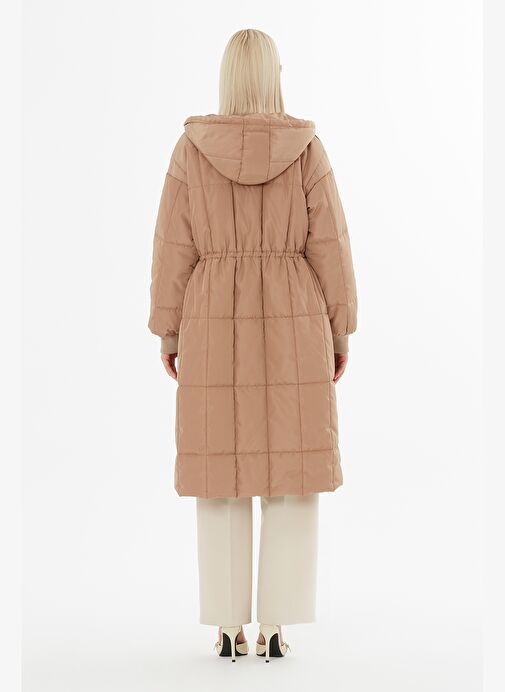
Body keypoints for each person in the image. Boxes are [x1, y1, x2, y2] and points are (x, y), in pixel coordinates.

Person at [148, 28, 357, 662]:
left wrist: (169, 330)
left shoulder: (190, 151)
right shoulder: (307, 149)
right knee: (291, 470)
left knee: (222, 472)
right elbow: (331, 246)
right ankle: (275, 628)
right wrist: (339, 329)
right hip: (296, 317)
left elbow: (172, 247)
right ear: (273, 76)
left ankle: (225, 627)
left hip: (212, 315)